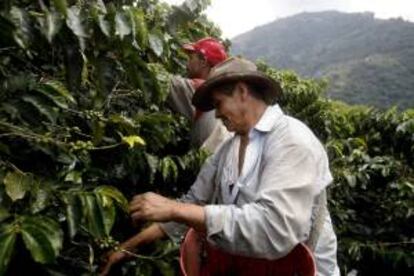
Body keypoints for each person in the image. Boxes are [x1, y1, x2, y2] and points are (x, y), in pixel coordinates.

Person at [101, 57, 340, 275]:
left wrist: (174, 209)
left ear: (242, 91)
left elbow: (274, 229)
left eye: (218, 103)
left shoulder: (291, 140)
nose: (216, 115)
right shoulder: (227, 150)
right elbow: (193, 203)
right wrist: (127, 248)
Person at [167, 37, 231, 152]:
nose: (188, 63)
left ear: (203, 62)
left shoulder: (200, 88)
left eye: (191, 58)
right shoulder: (223, 91)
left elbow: (162, 82)